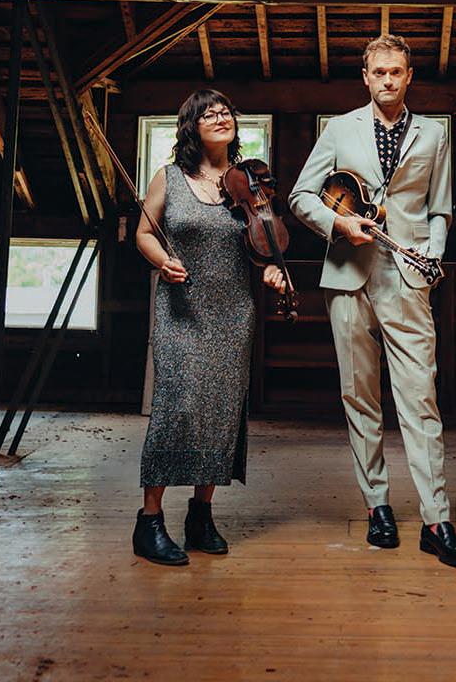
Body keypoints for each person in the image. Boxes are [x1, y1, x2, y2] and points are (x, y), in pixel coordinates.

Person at [289, 34, 456, 569]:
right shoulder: (338, 129)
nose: (388, 80)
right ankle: (377, 506)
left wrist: (430, 257)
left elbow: (440, 209)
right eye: (379, 72)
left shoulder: (434, 133)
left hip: (409, 280)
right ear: (366, 77)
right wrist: (338, 224)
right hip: (348, 276)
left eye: (396, 71)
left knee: (420, 399)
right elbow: (301, 196)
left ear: (409, 76)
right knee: (360, 397)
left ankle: (437, 520)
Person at [132, 88, 287, 566]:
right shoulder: (169, 177)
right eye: (209, 114)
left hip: (233, 311)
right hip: (182, 309)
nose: (221, 118)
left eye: (226, 112)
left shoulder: (249, 182)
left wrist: (271, 267)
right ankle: (149, 521)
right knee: (176, 408)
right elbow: (143, 232)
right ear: (191, 128)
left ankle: (201, 515)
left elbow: (263, 242)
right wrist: (162, 260)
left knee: (221, 412)